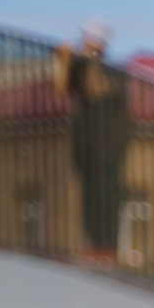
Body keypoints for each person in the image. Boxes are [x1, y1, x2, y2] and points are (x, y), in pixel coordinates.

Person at [54, 21, 131, 261]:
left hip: (107, 146)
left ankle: (106, 246)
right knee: (89, 197)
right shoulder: (79, 69)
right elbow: (59, 85)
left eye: (89, 41)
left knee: (106, 196)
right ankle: (91, 244)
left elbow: (95, 89)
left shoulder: (114, 74)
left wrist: (86, 62)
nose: (84, 44)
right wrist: (63, 59)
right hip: (85, 145)